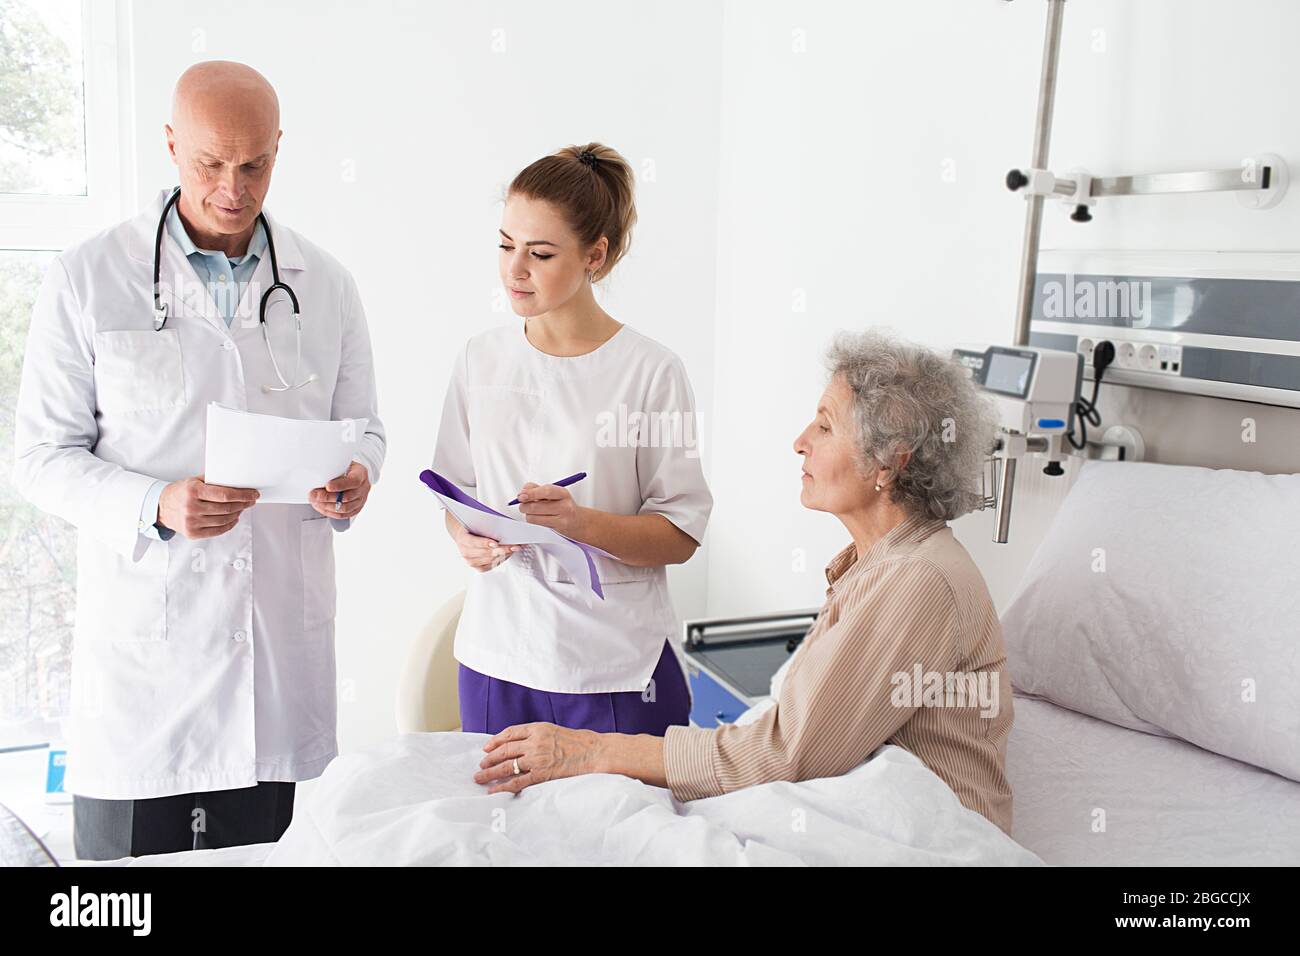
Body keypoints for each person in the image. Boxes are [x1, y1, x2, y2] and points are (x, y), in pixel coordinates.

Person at [11, 61, 385, 859]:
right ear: (171, 144)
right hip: (146, 672)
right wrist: (154, 503)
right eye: (210, 162)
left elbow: (364, 431)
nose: (233, 186)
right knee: (126, 902)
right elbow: (39, 458)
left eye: (254, 164)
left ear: (279, 149)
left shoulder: (328, 286)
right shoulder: (89, 277)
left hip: (273, 663)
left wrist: (356, 480)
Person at [472, 331, 1017, 835]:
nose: (800, 441)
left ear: (889, 463)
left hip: (928, 838)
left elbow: (786, 752)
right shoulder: (880, 565)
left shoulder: (917, 582)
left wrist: (591, 751)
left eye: (825, 426)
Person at [432, 143, 712, 737]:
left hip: (613, 667)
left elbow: (680, 534)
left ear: (596, 256)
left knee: (623, 827)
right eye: (506, 246)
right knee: (494, 828)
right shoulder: (480, 359)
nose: (515, 270)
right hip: (496, 659)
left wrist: (577, 523)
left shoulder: (652, 372)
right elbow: (455, 490)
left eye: (540, 253)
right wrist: (467, 538)